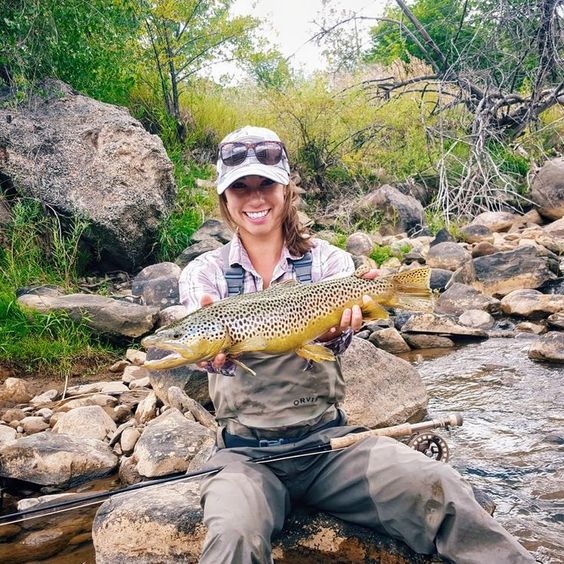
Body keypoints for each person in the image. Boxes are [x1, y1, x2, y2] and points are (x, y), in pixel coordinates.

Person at [178, 125, 534, 564]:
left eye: (266, 184)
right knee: (233, 535)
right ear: (224, 198)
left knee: (442, 489)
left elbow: (340, 340)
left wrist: (340, 329)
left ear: (286, 188)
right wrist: (212, 357)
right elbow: (197, 356)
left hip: (332, 447)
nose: (255, 198)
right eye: (240, 187)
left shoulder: (329, 261)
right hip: (246, 456)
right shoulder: (203, 274)